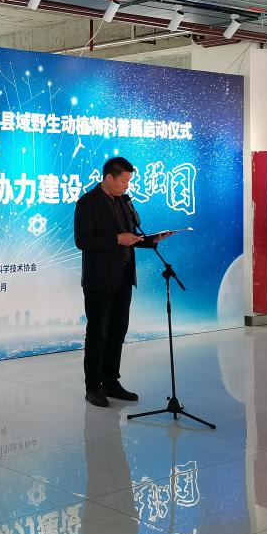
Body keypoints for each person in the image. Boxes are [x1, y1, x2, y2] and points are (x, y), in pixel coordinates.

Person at [74, 156, 162, 408]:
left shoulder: (125, 202)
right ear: (108, 177)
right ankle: (93, 387)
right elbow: (83, 241)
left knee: (117, 331)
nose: (127, 186)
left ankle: (111, 381)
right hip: (99, 280)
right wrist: (116, 240)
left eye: (129, 181)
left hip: (124, 278)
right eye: (123, 181)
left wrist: (150, 240)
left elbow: (129, 236)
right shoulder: (87, 203)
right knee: (98, 333)